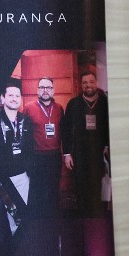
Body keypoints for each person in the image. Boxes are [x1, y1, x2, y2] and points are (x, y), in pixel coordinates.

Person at [0, 81, 36, 213]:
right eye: (10, 95)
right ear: (3, 97)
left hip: (22, 176)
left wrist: (28, 170)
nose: (14, 99)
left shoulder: (26, 120)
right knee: (3, 213)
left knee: (21, 212)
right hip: (2, 176)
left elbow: (30, 147)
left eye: (17, 96)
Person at [61, 68, 110, 217]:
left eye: (91, 82)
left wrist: (108, 145)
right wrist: (67, 153)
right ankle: (84, 218)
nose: (88, 85)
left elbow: (110, 127)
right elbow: (66, 129)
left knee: (99, 187)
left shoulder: (105, 103)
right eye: (84, 82)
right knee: (82, 189)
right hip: (80, 154)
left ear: (96, 83)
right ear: (81, 85)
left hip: (100, 154)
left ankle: (99, 218)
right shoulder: (74, 104)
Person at [27, 75, 65, 215]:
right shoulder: (29, 108)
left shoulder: (59, 108)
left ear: (53, 90)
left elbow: (64, 132)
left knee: (54, 189)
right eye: (42, 87)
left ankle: (53, 219)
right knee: (38, 191)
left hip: (54, 156)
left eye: (48, 87)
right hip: (36, 157)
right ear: (37, 90)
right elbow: (25, 136)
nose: (45, 90)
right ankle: (40, 221)